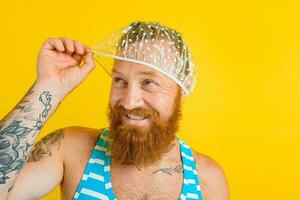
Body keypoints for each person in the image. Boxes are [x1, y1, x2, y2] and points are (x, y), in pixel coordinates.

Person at [0, 22, 229, 200]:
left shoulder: (207, 180)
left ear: (183, 86)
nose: (129, 102)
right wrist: (47, 87)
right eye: (119, 80)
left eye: (148, 82)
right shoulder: (70, 149)